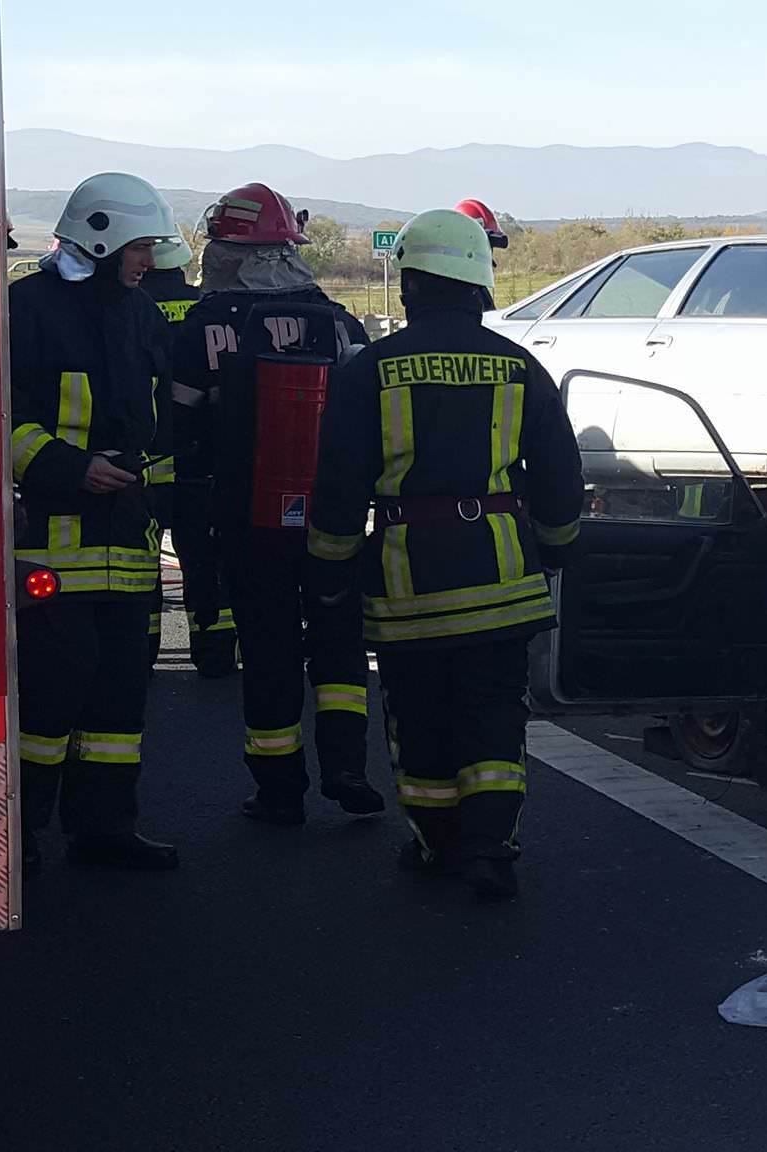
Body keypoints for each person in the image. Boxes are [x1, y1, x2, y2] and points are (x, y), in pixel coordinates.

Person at [307, 208, 583, 900]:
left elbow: (338, 484)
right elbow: (558, 479)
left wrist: (331, 569)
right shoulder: (521, 366)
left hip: (408, 583)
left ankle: (438, 844)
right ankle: (492, 845)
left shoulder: (369, 369)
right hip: (499, 579)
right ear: (478, 281)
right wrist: (555, 550)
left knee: (420, 714)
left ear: (411, 284)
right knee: (493, 713)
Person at [173, 181, 383, 825]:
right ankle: (346, 765)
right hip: (330, 516)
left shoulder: (202, 327)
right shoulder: (338, 320)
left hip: (244, 515)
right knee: (339, 645)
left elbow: (178, 430)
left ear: (226, 251)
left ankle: (278, 787)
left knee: (267, 649)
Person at [7, 172, 182, 870]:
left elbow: (158, 427)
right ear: (101, 234)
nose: (147, 261)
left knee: (117, 702)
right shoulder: (25, 308)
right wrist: (64, 466)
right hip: (52, 542)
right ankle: (18, 833)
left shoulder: (141, 315)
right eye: (139, 247)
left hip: (128, 543)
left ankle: (105, 827)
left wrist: (160, 504)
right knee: (49, 699)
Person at [138, 233, 237, 675]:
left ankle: (143, 650)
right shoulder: (204, 311)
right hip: (201, 461)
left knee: (140, 560)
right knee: (203, 557)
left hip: (145, 461)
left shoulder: (132, 310)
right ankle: (213, 648)